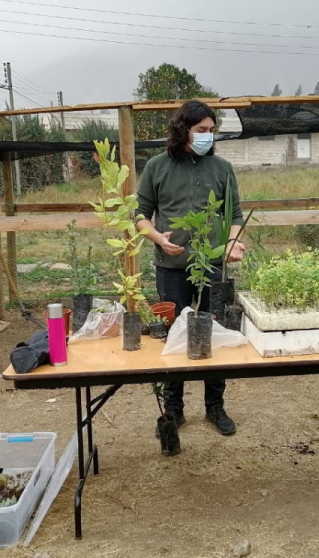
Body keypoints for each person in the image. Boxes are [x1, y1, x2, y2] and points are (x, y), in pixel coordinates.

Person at [136, 100, 245, 436]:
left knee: (214, 332)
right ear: (183, 130)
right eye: (201, 131)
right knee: (174, 334)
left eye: (211, 131)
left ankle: (215, 406)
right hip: (171, 267)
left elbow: (235, 216)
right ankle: (174, 408)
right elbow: (139, 215)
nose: (207, 137)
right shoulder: (157, 167)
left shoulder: (222, 169)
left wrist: (231, 242)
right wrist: (157, 237)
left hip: (212, 266)